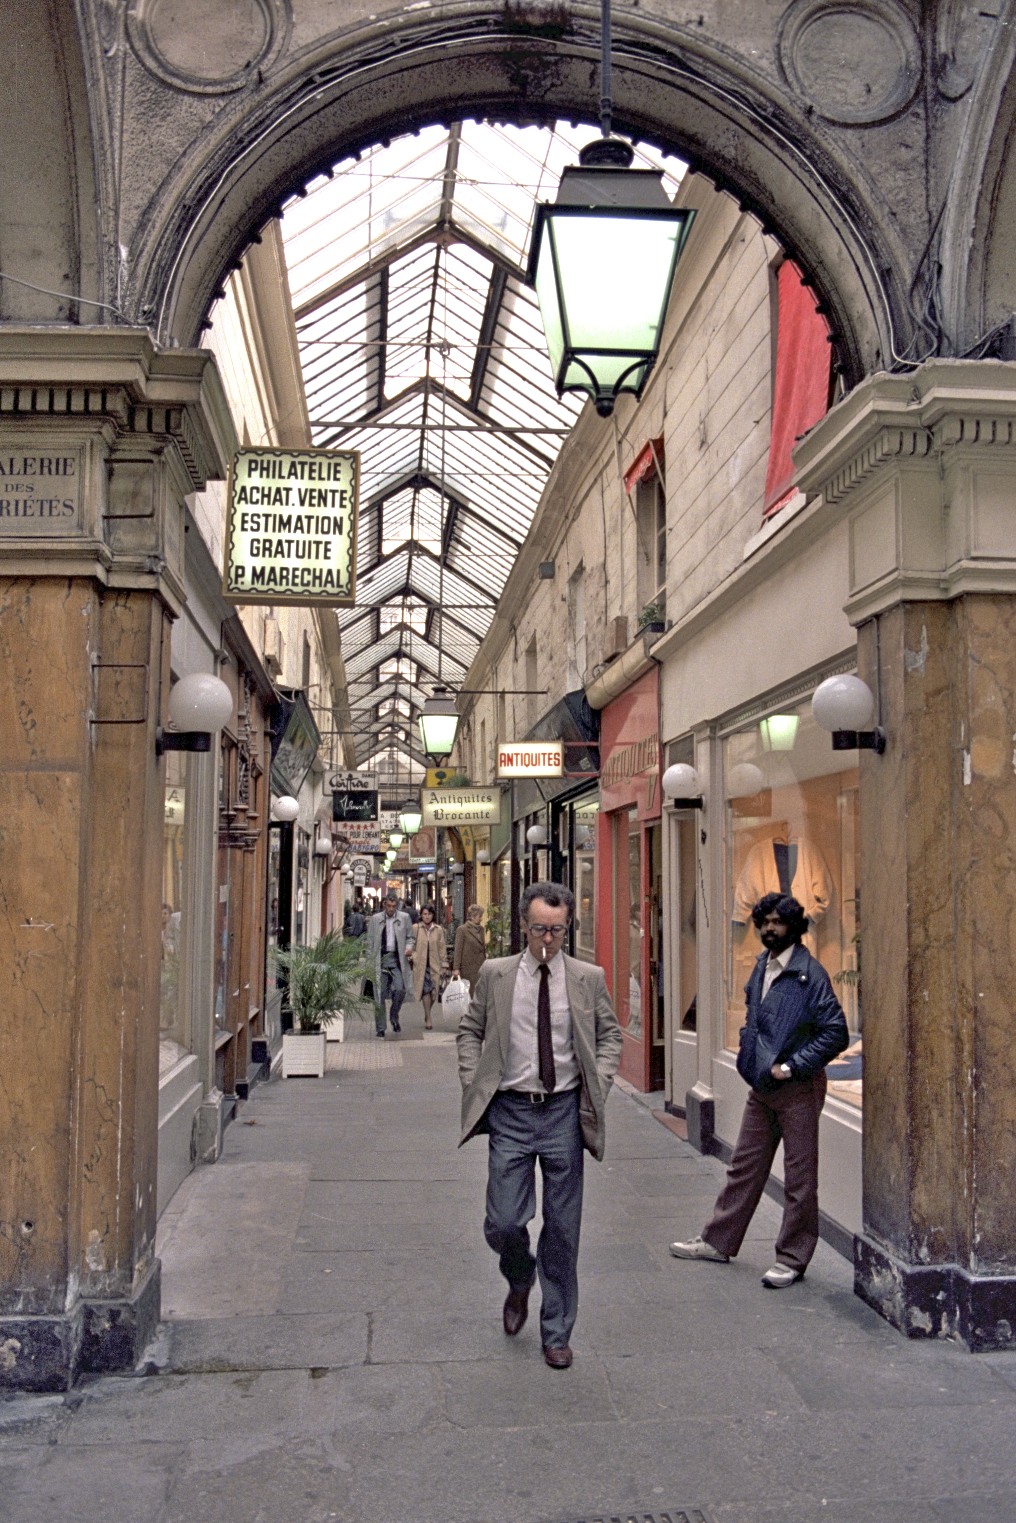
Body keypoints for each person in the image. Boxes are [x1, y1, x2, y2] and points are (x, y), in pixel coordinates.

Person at [457, 881, 622, 1369]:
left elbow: (609, 1033)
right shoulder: (496, 974)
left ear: (567, 927)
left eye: (556, 930)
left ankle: (556, 1331)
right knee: (504, 1220)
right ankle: (519, 1274)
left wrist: (602, 1081)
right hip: (510, 1109)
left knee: (563, 1229)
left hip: (564, 1113)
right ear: (522, 927)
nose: (546, 939)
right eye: (537, 929)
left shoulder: (587, 978)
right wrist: (474, 1078)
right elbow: (471, 1029)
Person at [669, 892, 849, 1287]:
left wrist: (791, 1067)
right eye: (764, 921)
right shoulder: (762, 965)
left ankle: (792, 1258)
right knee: (744, 1167)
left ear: (794, 926)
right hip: (762, 1085)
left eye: (778, 922)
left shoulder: (809, 973)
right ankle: (718, 1241)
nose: (769, 928)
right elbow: (755, 1017)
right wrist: (749, 1052)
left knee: (799, 1178)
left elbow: (837, 1032)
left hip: (797, 1088)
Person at [366, 892, 413, 1037]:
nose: (391, 909)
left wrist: (409, 947)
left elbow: (410, 938)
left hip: (397, 960)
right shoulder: (375, 919)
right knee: (379, 994)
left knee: (400, 989)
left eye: (394, 906)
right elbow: (370, 941)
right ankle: (380, 1027)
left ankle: (394, 1016)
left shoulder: (404, 918)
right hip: (380, 960)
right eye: (389, 906)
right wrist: (369, 960)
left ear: (397, 905)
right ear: (384, 904)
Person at [409, 901, 446, 1030]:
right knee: (426, 990)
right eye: (424, 914)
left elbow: (442, 947)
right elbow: (410, 945)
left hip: (434, 965)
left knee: (434, 992)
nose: (427, 917)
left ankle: (427, 1012)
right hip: (421, 965)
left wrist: (444, 964)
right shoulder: (416, 928)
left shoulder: (438, 929)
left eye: (429, 914)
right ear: (421, 915)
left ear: (433, 915)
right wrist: (413, 957)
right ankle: (429, 1018)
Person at [452, 902, 487, 992]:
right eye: (480, 916)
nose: (481, 919)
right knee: (468, 994)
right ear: (472, 917)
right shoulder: (462, 930)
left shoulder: (481, 929)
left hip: (480, 967)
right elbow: (458, 950)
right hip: (467, 968)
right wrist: (456, 968)